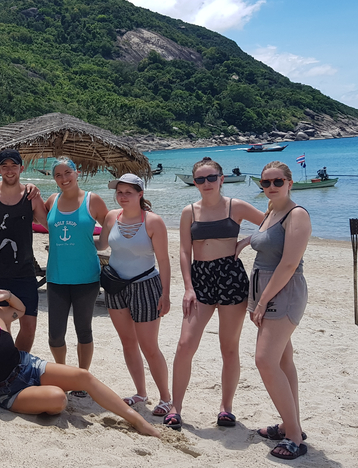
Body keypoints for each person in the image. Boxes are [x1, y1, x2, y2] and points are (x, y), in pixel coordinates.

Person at [0, 276, 160, 437]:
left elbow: (21, 310)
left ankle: (137, 420)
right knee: (58, 399)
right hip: (8, 391)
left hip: (29, 366)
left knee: (84, 376)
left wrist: (8, 295)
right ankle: (43, 393)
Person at [169, 157, 266, 430]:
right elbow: (184, 251)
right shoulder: (190, 211)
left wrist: (247, 241)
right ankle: (176, 407)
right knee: (185, 344)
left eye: (212, 178)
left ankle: (226, 408)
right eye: (200, 179)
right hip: (200, 278)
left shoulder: (236, 206)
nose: (206, 183)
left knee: (229, 347)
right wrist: (188, 287)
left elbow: (272, 223)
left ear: (222, 179)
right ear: (195, 182)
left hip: (231, 276)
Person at [247, 160, 312, 460]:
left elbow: (288, 264)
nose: (271, 187)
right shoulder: (271, 212)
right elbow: (264, 241)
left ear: (290, 183)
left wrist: (261, 302)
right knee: (284, 359)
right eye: (265, 183)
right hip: (265, 289)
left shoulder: (296, 214)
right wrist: (241, 243)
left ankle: (295, 438)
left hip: (283, 293)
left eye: (277, 182)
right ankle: (289, 424)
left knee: (265, 360)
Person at [96, 173, 172, 413]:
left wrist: (166, 294)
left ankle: (166, 398)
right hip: (115, 286)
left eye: (128, 192)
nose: (122, 197)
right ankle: (140, 393)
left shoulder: (153, 222)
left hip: (146, 285)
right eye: (119, 192)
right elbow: (102, 245)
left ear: (140, 194)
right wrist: (79, 236)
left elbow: (163, 260)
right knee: (128, 342)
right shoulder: (111, 217)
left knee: (149, 346)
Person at [44, 158, 109, 393]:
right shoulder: (51, 200)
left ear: (77, 173)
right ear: (54, 179)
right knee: (55, 334)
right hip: (57, 277)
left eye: (68, 172)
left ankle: (82, 377)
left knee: (83, 330)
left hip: (87, 278)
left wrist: (100, 243)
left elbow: (112, 223)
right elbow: (33, 218)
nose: (64, 178)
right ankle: (62, 374)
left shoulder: (93, 200)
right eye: (58, 175)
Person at [0, 149, 47, 353]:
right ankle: (3, 367)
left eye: (13, 166)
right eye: (4, 166)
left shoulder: (31, 196)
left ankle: (18, 365)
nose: (9, 170)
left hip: (24, 273)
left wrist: (60, 198)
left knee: (29, 327)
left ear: (21, 168)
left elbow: (50, 224)